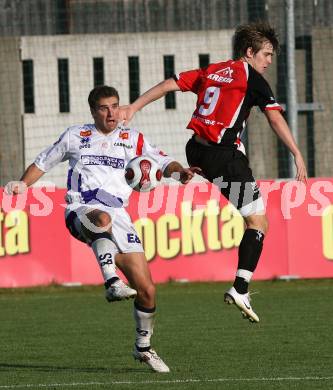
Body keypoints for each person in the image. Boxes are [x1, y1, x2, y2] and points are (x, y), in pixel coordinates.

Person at [118, 22, 308, 323]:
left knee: (237, 152)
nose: (269, 61)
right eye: (267, 54)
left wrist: (133, 107)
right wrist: (297, 153)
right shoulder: (253, 79)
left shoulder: (213, 70)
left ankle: (185, 172)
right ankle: (240, 288)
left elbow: (171, 83)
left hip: (196, 150)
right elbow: (274, 119)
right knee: (258, 220)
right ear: (250, 52)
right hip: (222, 157)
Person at [5, 85, 198, 373]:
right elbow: (43, 162)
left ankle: (143, 347)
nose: (112, 113)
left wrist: (179, 172)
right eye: (105, 108)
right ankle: (111, 283)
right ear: (93, 111)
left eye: (116, 106)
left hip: (119, 214)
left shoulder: (132, 138)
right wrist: (23, 183)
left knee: (147, 289)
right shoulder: (76, 136)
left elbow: (161, 160)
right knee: (102, 221)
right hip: (81, 208)